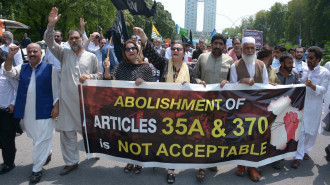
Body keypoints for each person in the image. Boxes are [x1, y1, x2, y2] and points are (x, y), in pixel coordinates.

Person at [134, 26, 197, 184]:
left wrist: (200, 83)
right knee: (160, 138)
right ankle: (159, 161)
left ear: (184, 52)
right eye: (173, 48)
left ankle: (171, 169)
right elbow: (151, 54)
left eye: (179, 48)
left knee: (175, 141)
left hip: (182, 113)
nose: (175, 50)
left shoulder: (190, 70)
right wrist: (142, 36)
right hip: (162, 110)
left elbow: (198, 89)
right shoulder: (163, 64)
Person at [44, 7, 102, 176]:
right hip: (68, 103)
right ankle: (71, 163)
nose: (74, 40)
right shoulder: (63, 53)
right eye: (71, 38)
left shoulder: (91, 57)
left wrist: (89, 75)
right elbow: (49, 42)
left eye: (76, 37)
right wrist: (50, 25)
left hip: (86, 103)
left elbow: (98, 75)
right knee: (68, 134)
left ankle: (97, 151)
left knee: (91, 131)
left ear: (80, 39)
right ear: (68, 41)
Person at [3, 43, 59, 183]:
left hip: (45, 109)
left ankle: (37, 169)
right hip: (27, 112)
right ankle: (47, 153)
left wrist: (56, 106)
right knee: (36, 137)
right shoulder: (22, 68)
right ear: (26, 54)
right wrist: (10, 56)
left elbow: (56, 89)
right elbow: (8, 71)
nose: (32, 54)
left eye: (35, 51)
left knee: (42, 139)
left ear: (41, 53)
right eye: (29, 52)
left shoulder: (50, 68)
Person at [229, 37, 268, 182]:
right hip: (240, 108)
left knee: (255, 137)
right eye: (247, 48)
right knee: (241, 136)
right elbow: (231, 88)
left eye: (252, 48)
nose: (250, 51)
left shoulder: (261, 65)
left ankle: (252, 166)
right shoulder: (235, 66)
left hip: (257, 108)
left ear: (255, 49)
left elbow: (265, 87)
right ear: (242, 49)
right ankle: (240, 164)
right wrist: (241, 82)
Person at [291, 46, 329, 168]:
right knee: (301, 131)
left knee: (311, 132)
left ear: (318, 59)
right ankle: (298, 157)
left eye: (311, 58)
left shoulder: (324, 72)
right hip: (302, 105)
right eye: (307, 58)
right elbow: (300, 84)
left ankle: (305, 151)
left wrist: (312, 85)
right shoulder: (305, 69)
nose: (308, 60)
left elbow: (323, 90)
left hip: (315, 107)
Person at [0, 48, 18, 175]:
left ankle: (8, 162)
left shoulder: (5, 68)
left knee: (6, 138)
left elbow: (17, 88)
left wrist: (13, 104)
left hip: (6, 110)